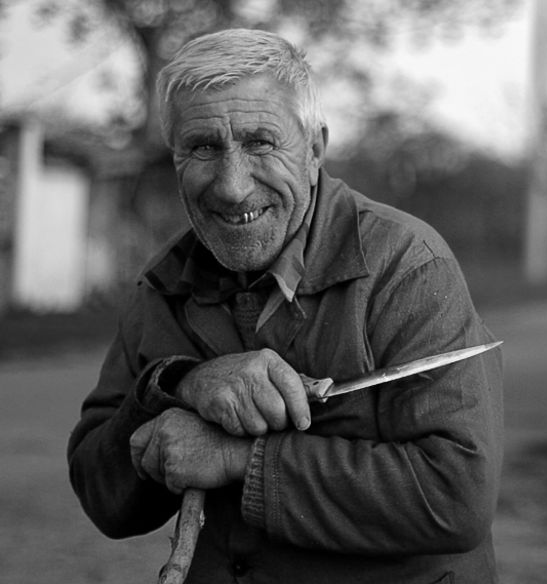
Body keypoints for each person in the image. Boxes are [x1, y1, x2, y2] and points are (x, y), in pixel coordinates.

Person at [68, 28, 503, 584]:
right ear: (174, 157)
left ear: (315, 149)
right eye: (202, 147)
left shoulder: (407, 264)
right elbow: (102, 497)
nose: (232, 187)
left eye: (260, 143)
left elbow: (455, 495)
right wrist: (180, 385)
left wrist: (238, 460)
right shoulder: (163, 285)